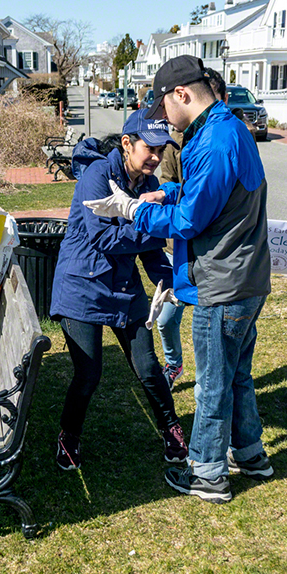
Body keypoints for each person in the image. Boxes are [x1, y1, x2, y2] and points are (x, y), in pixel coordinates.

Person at [85, 55, 273, 503]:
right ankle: (249, 454)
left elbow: (189, 221)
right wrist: (165, 191)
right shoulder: (227, 129)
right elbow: (214, 192)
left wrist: (134, 209)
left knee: (212, 381)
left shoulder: (212, 140)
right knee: (236, 376)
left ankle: (207, 473)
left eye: (163, 108)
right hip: (246, 278)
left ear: (181, 95)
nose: (164, 121)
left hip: (222, 282)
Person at [49, 109, 188, 472]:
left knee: (147, 366)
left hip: (124, 289)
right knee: (89, 372)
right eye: (150, 148)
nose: (156, 157)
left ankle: (171, 428)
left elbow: (150, 252)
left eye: (162, 150)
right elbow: (104, 237)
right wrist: (156, 227)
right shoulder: (97, 175)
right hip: (82, 287)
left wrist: (171, 281)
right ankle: (69, 435)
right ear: (127, 144)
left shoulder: (146, 185)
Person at [155, 67, 227, 390]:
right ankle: (174, 363)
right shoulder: (176, 143)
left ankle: (207, 380)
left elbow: (193, 215)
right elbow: (174, 192)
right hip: (183, 256)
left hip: (213, 268)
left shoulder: (223, 139)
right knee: (166, 318)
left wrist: (138, 213)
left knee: (214, 378)